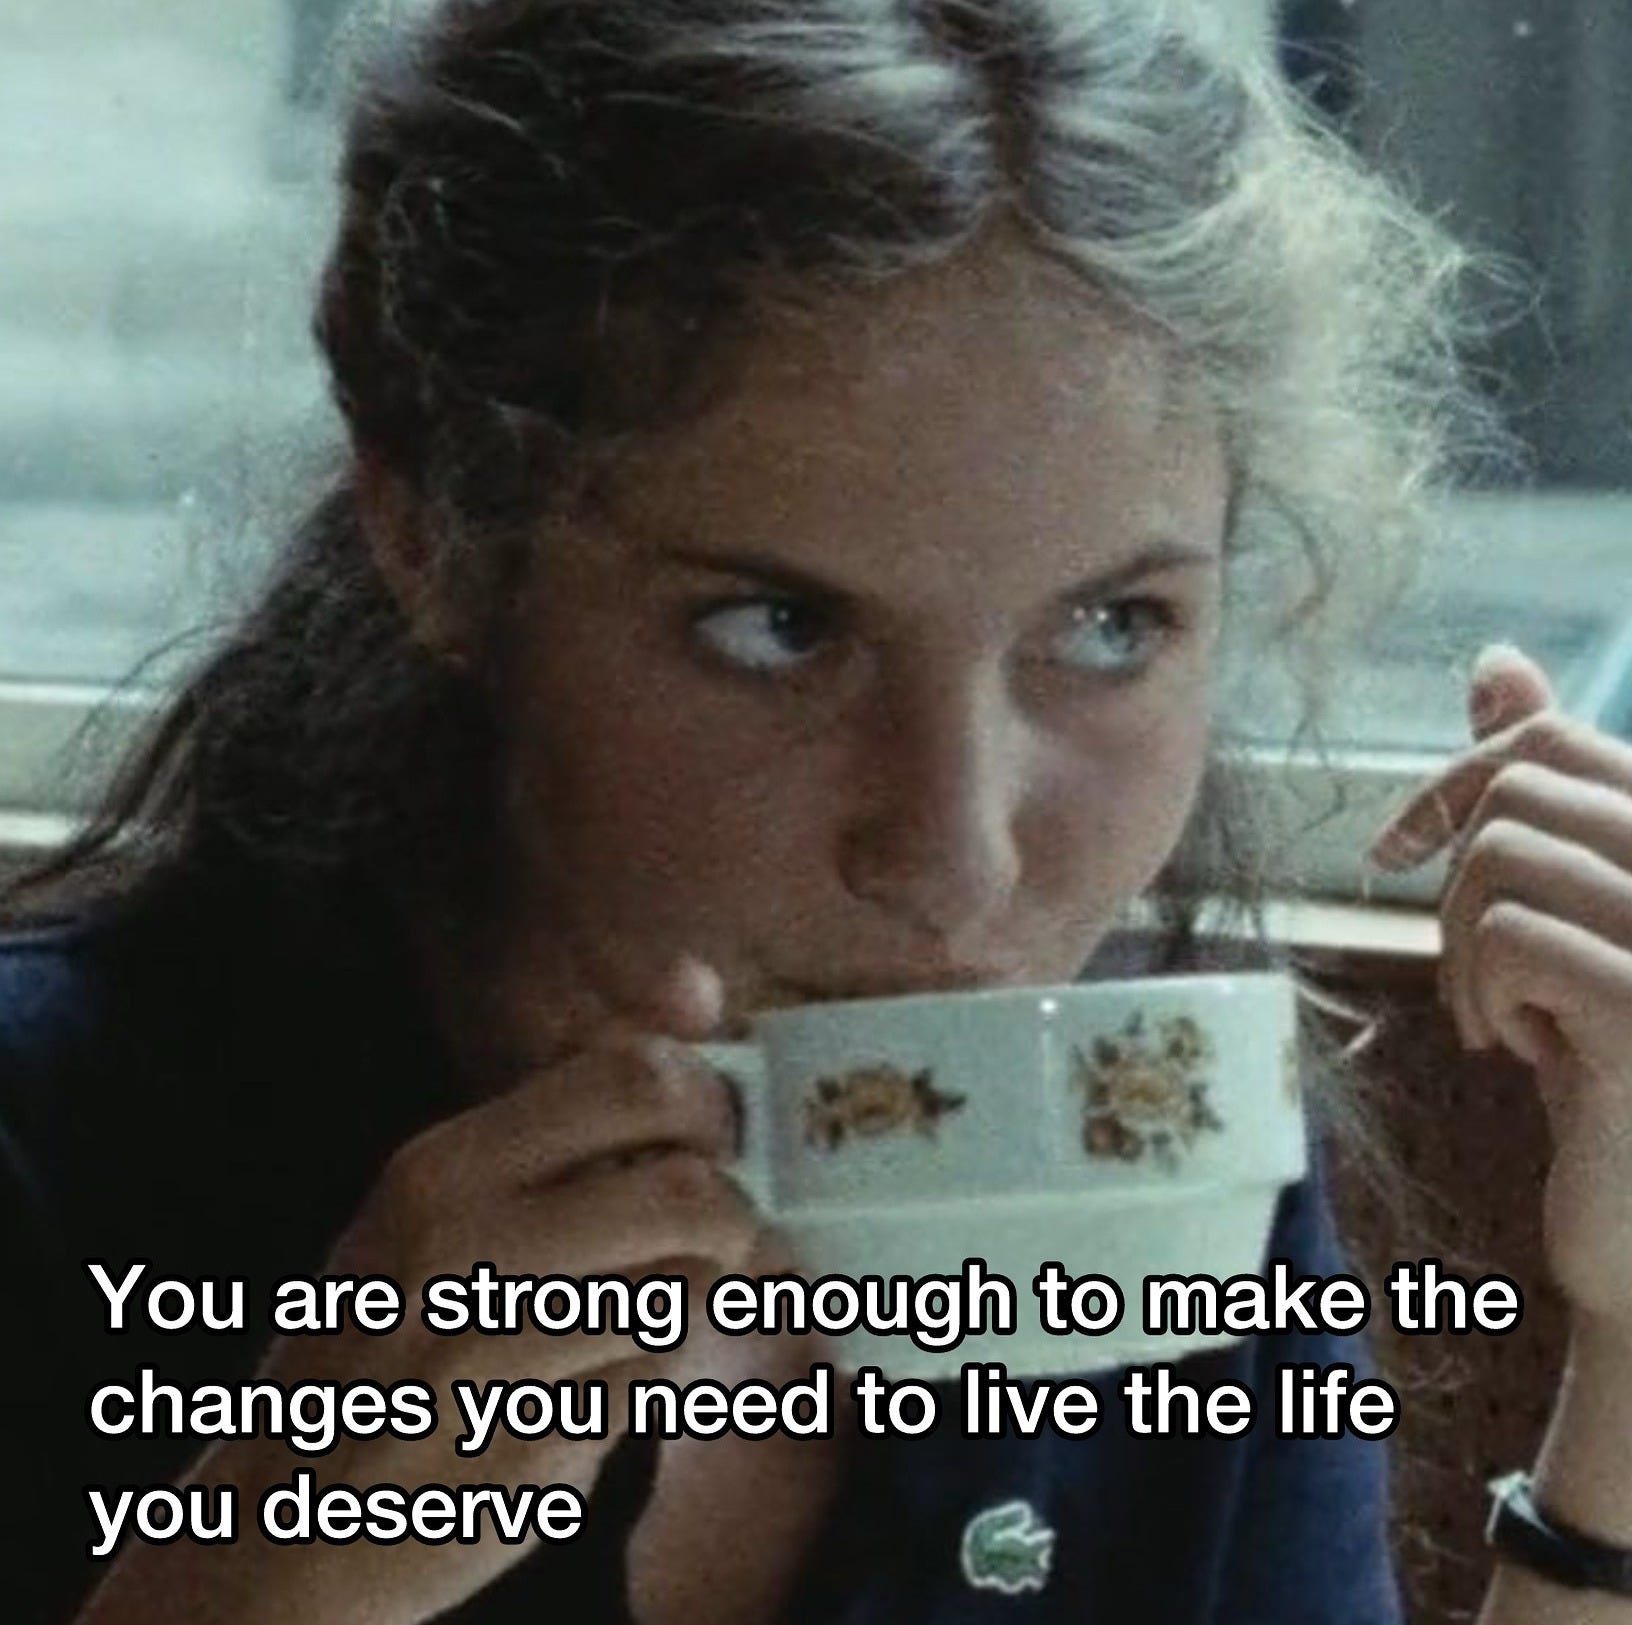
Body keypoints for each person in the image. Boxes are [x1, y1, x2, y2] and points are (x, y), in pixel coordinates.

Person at [6, 1, 1632, 1620]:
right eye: (780, 629)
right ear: (435, 538)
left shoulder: (1150, 1169)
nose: (958, 856)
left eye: (1110, 628)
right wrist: (246, 1584)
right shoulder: (53, 1167)